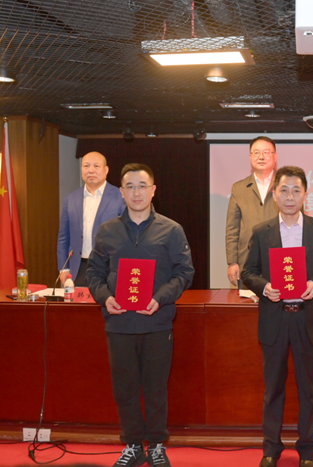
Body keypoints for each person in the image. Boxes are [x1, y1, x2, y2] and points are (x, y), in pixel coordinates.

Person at [86, 163, 194, 467]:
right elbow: (93, 273)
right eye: (130, 186)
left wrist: (160, 298)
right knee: (125, 389)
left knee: (156, 388)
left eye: (142, 186)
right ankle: (133, 445)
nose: (136, 192)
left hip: (157, 323)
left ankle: (157, 445)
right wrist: (105, 297)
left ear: (153, 190)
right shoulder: (107, 231)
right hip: (119, 324)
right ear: (121, 192)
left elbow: (185, 272)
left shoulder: (171, 230)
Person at [241, 166, 313, 467]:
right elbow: (248, 272)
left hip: (307, 318)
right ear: (274, 195)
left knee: (308, 390)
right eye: (284, 190)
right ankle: (271, 448)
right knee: (273, 388)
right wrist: (264, 287)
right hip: (275, 317)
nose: (290, 196)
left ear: (305, 195)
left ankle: (307, 450)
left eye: (296, 190)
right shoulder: (262, 232)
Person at [58, 151, 125, 286]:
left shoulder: (120, 196)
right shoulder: (71, 198)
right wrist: (63, 268)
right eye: (86, 166)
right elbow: (64, 237)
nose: (91, 170)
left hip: (109, 268)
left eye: (96, 166)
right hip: (78, 268)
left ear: (106, 170)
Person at [225, 136, 280, 287]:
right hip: (247, 262)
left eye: (266, 152)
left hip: (280, 261)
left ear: (275, 157)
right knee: (247, 301)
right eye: (256, 152)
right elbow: (232, 229)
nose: (261, 157)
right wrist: (232, 262)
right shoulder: (239, 188)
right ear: (250, 157)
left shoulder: (285, 186)